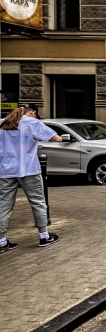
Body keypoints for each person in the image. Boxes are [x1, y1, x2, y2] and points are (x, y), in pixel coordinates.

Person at [0, 106, 62, 251]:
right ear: (32, 112)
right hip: (28, 169)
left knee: (3, 205)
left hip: (5, 170)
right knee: (38, 201)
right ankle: (44, 236)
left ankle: (2, 241)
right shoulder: (32, 123)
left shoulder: (3, 123)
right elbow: (57, 138)